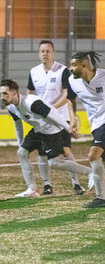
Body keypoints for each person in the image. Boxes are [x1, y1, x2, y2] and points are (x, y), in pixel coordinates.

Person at [0, 79, 91, 198]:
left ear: (14, 93)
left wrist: (69, 129)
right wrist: (20, 143)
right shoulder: (11, 107)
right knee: (21, 153)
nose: (2, 97)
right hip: (38, 129)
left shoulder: (31, 102)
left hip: (51, 129)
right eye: (1, 94)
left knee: (54, 163)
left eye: (5, 93)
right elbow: (18, 125)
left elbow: (53, 115)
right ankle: (31, 189)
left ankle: (90, 172)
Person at [27, 40, 85, 195]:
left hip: (61, 117)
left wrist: (51, 109)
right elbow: (30, 93)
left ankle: (76, 183)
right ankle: (47, 185)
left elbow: (67, 94)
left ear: (53, 53)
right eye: (42, 51)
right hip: (42, 120)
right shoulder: (34, 72)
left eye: (48, 51)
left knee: (65, 151)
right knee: (42, 152)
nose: (45, 54)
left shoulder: (63, 70)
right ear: (39, 53)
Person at [68, 51, 105, 208]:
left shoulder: (103, 77)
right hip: (96, 124)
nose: (70, 68)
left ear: (84, 65)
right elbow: (70, 100)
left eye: (74, 65)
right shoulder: (72, 81)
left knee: (93, 155)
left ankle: (100, 198)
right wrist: (73, 117)